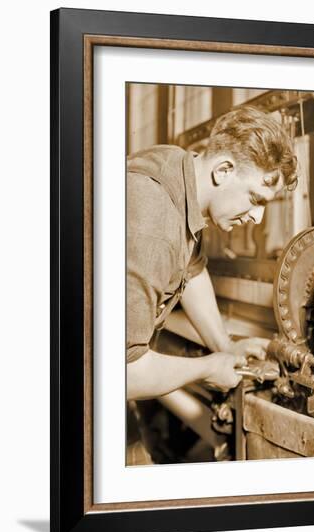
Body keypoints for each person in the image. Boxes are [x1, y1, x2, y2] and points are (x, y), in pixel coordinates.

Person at [126, 106, 297, 402]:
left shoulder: (180, 171)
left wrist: (224, 346)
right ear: (224, 171)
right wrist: (207, 368)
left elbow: (190, 269)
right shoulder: (152, 223)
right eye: (256, 199)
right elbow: (121, 373)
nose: (257, 218)